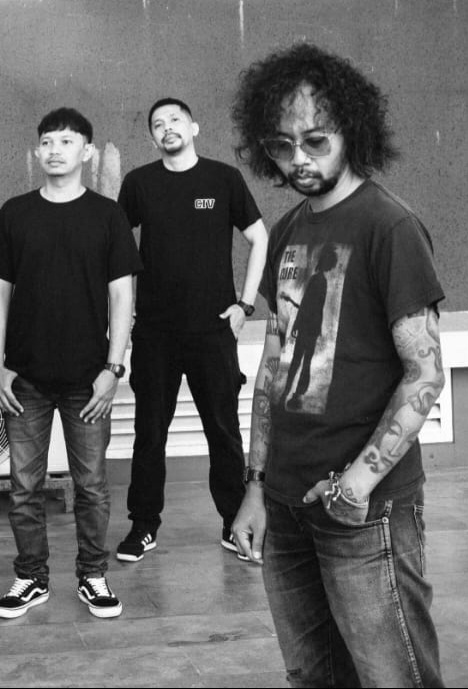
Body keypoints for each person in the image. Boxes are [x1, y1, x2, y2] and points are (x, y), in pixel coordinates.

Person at [229, 43, 445, 687]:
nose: (299, 158)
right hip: (285, 500)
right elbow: (274, 366)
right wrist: (256, 486)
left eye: (316, 141)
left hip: (363, 508)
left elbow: (425, 373)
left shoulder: (389, 227)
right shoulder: (289, 229)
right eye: (281, 146)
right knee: (313, 677)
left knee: (392, 677)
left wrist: (357, 483)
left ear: (351, 131)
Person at [0, 107, 142, 620]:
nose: (54, 150)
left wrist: (113, 370)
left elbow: (122, 295)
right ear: (38, 150)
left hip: (88, 380)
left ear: (87, 152)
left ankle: (93, 575)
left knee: (91, 486)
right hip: (23, 379)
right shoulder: (15, 212)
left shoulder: (107, 215)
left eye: (66, 141)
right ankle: (31, 577)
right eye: (47, 141)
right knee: (23, 487)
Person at [115, 97, 268, 562]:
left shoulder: (223, 179)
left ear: (194, 127)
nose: (167, 128)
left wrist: (245, 304)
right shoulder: (139, 183)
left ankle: (233, 522)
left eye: (175, 120)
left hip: (212, 330)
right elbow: (116, 248)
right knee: (149, 432)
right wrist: (123, 314)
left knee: (223, 430)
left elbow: (259, 238)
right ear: (152, 137)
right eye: (157, 124)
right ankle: (143, 525)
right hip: (155, 333)